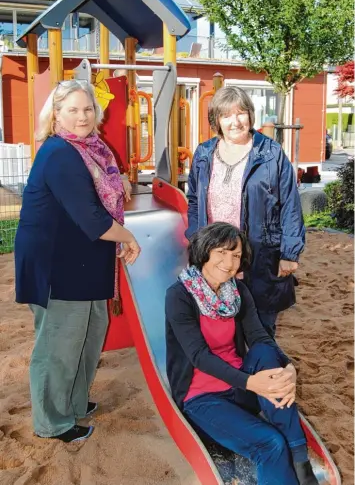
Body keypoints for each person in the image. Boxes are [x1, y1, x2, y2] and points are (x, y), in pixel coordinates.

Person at [15, 80, 141, 443]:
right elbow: (92, 218)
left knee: (89, 335)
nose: (82, 116)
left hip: (84, 258)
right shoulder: (59, 153)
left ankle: (73, 402)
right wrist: (128, 236)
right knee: (60, 344)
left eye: (87, 109)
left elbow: (105, 184)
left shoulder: (93, 149)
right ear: (56, 114)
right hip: (57, 263)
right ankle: (53, 422)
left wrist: (123, 182)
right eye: (72, 109)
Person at [166, 223, 319, 485]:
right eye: (222, 253)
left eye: (236, 255)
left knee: (264, 353)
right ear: (205, 251)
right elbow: (199, 356)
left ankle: (299, 455)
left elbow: (260, 336)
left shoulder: (236, 292)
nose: (229, 263)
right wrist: (252, 382)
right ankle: (296, 463)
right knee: (269, 443)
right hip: (202, 396)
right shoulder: (179, 295)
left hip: (239, 386)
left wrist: (288, 367)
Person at [186, 86, 305, 337]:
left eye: (241, 113)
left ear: (250, 115)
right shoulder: (204, 153)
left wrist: (289, 253)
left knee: (260, 326)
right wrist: (196, 239)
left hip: (259, 254)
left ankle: (263, 370)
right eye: (226, 115)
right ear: (216, 120)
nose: (235, 121)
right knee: (220, 327)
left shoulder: (270, 154)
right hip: (215, 255)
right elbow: (195, 199)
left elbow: (290, 205)